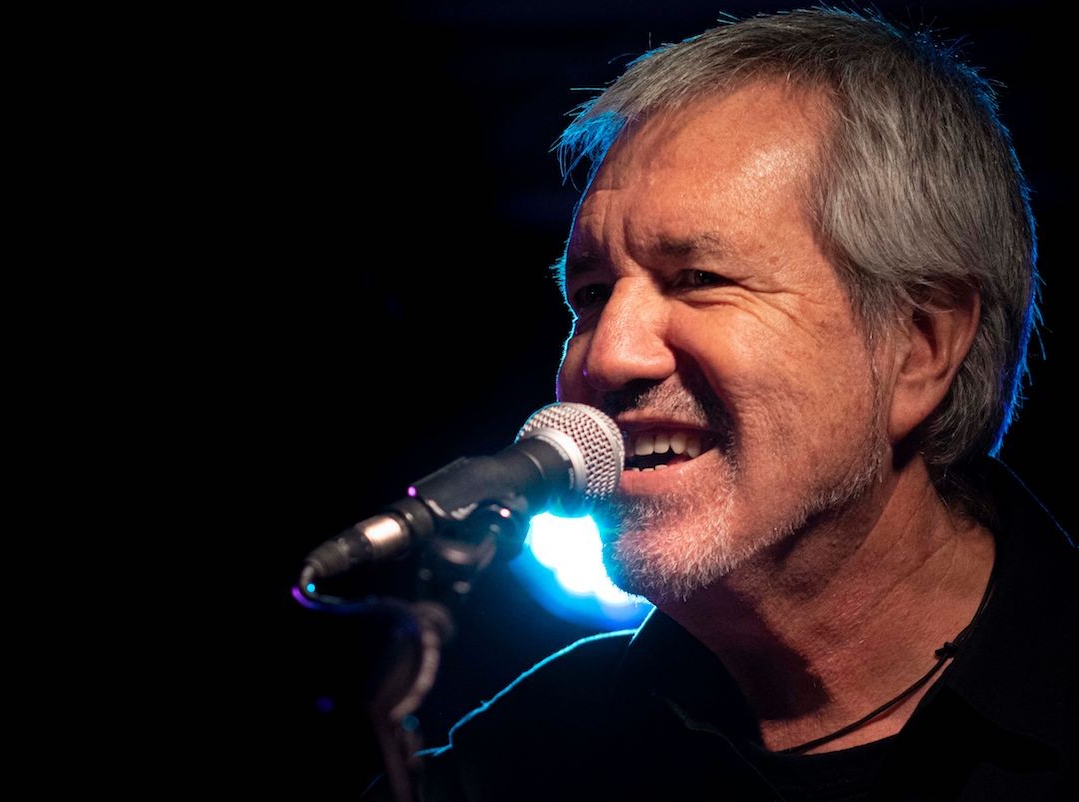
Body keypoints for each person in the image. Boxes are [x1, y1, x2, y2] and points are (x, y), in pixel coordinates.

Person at [367, 8, 1075, 800]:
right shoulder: (514, 770)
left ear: (920, 346)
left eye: (699, 280)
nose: (607, 355)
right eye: (591, 294)